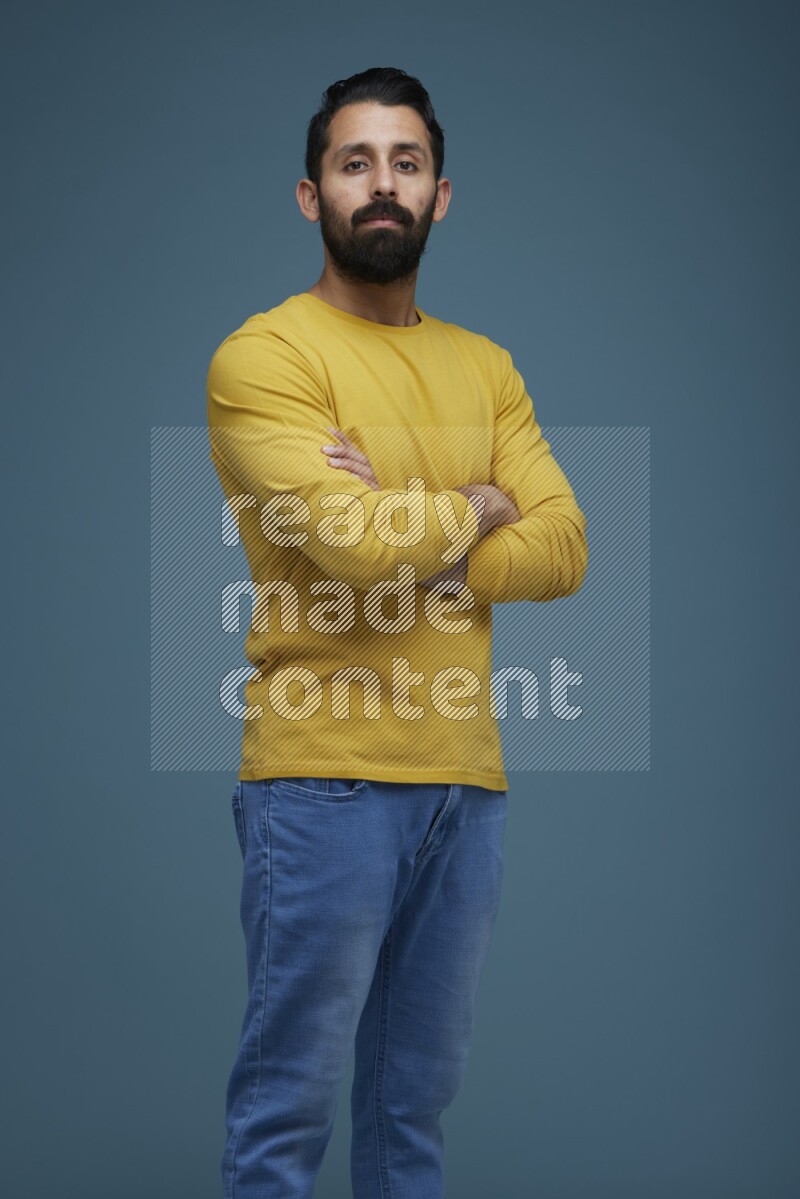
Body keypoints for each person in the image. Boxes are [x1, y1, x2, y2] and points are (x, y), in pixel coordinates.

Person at [207, 66, 588, 1199]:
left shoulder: (487, 367)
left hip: (464, 784)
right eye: (354, 161)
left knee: (409, 1115)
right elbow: (350, 544)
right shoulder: (264, 358)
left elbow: (564, 548)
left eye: (405, 163)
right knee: (288, 1114)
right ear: (309, 192)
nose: (382, 184)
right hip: (320, 779)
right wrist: (473, 499)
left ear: (439, 194)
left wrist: (401, 514)